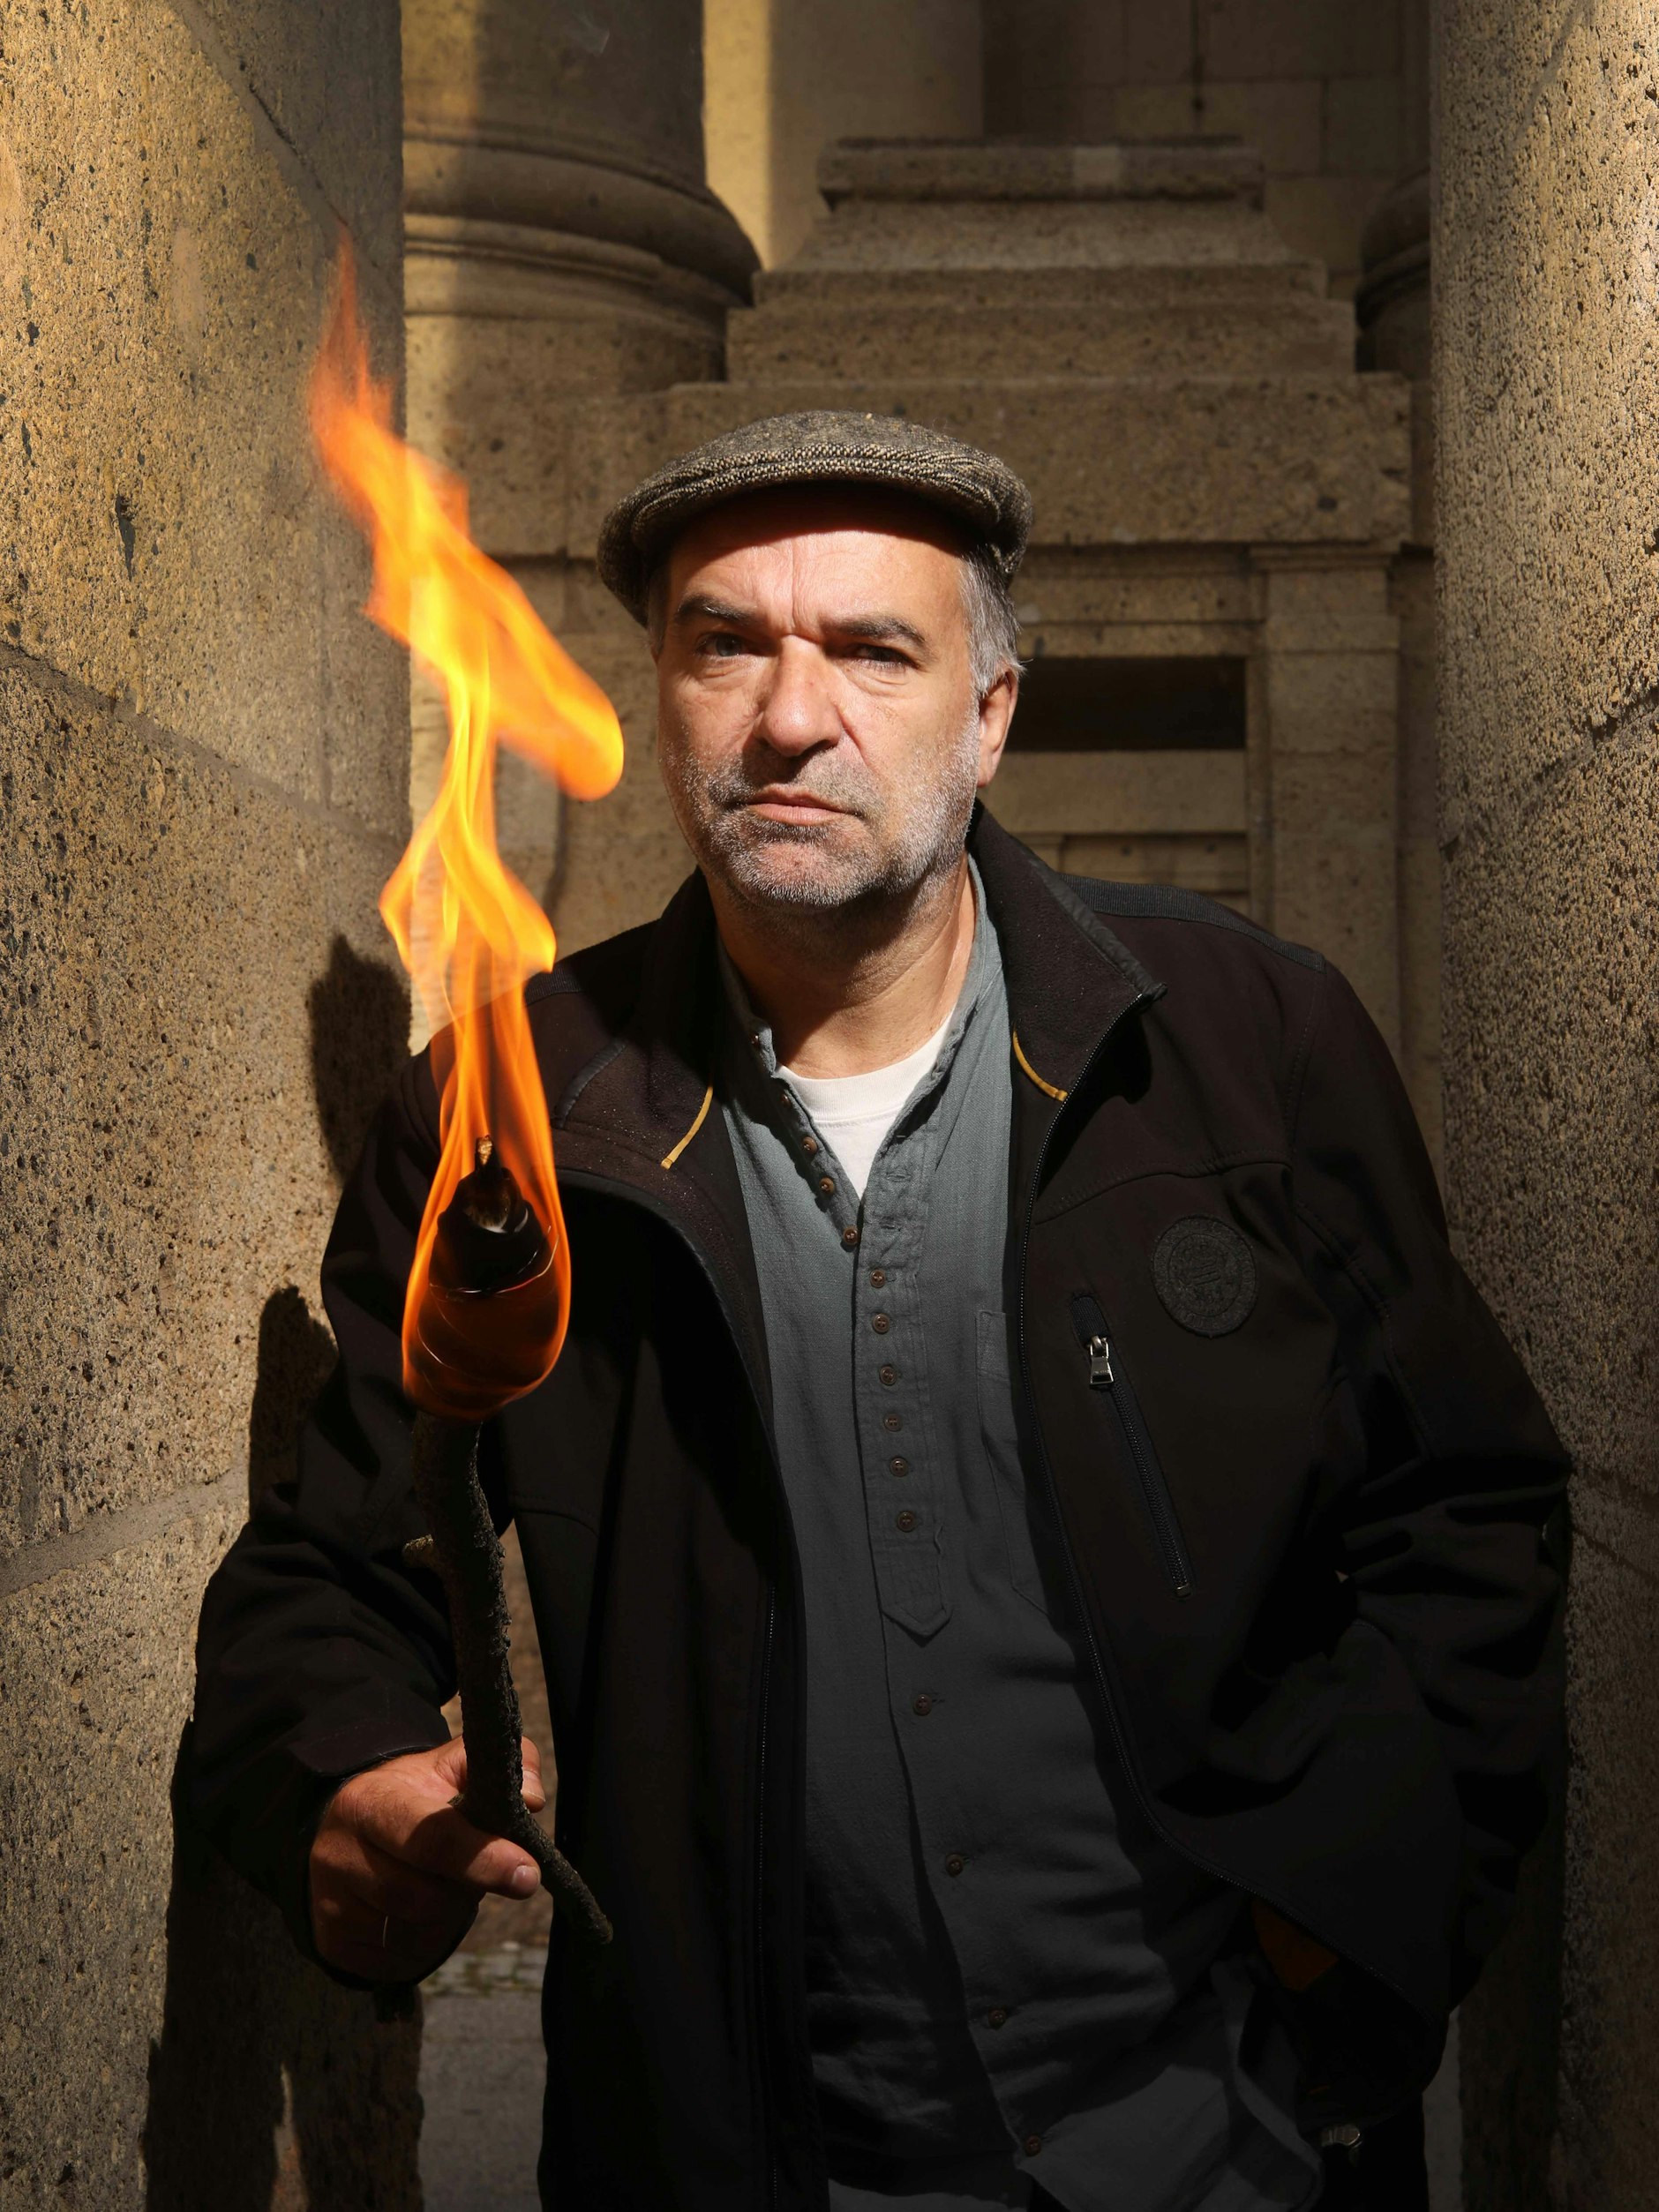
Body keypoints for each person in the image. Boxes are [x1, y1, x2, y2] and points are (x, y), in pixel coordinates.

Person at [191, 411, 1567, 2212]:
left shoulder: (1246, 1046)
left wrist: (1350, 1918)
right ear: (663, 699)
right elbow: (328, 1570)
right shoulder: (507, 1120)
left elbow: (1464, 1509)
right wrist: (346, 1773)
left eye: (871, 649)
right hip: (742, 2163)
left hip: (1219, 2142)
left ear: (988, 715)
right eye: (725, 644)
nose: (789, 715)